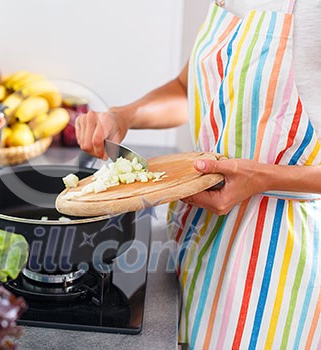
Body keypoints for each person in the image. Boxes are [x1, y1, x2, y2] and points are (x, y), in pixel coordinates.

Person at [75, 0, 321, 348]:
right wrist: (124, 116)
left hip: (276, 260)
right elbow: (187, 90)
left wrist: (264, 177)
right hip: (197, 237)